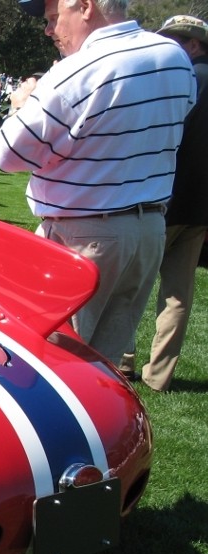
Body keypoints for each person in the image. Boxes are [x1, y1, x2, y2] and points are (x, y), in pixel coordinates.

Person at [0, 0, 195, 370]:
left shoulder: (77, 69)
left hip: (83, 236)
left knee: (55, 363)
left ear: (85, 7)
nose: (49, 30)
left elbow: (8, 154)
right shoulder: (174, 57)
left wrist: (21, 104)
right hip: (147, 230)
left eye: (55, 18)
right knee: (103, 366)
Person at [136, 15, 208, 391]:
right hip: (201, 207)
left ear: (193, 45)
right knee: (178, 293)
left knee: (133, 282)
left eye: (175, 40)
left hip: (164, 198)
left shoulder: (185, 80)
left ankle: (121, 360)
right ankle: (159, 375)